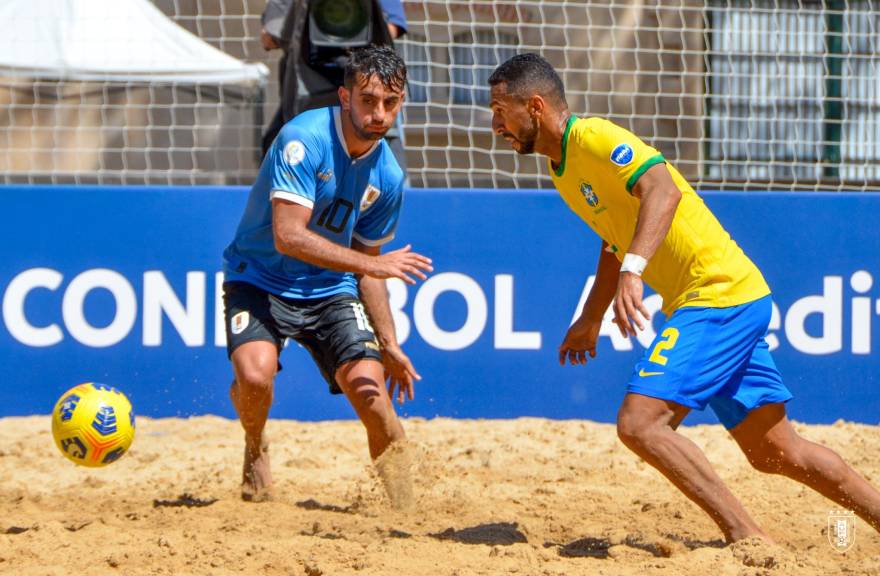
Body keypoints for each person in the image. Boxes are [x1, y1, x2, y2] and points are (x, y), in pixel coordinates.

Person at [487, 53, 880, 542]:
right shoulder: (561, 169)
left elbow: (663, 190)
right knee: (777, 452)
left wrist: (635, 271)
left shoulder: (593, 137)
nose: (495, 123)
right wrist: (592, 316)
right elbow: (615, 237)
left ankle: (747, 538)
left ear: (537, 106)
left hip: (716, 294)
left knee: (640, 422)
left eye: (501, 110)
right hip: (731, 296)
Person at [222, 45, 431, 508]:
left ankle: (406, 510)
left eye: (391, 103)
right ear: (344, 96)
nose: (379, 114)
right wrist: (372, 264)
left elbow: (369, 269)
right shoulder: (303, 139)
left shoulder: (389, 177)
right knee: (255, 380)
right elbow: (288, 237)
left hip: (330, 288)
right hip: (258, 277)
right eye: (369, 100)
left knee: (372, 396)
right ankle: (255, 446)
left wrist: (390, 341)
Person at [259, 0, 409, 172]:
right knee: (286, 153)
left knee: (387, 165)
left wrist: (351, 32)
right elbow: (268, 38)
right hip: (309, 84)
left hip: (367, 86)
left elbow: (392, 27)